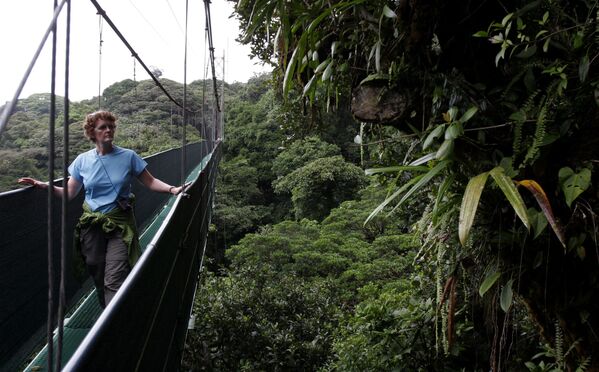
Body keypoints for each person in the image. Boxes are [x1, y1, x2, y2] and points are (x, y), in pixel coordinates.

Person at [18, 110, 188, 308]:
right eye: (103, 127)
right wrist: (43, 185)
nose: (109, 130)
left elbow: (150, 182)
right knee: (97, 274)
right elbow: (69, 193)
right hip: (92, 226)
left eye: (111, 126)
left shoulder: (129, 157)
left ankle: (114, 326)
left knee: (114, 279)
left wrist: (172, 189)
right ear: (92, 132)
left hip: (119, 225)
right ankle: (107, 311)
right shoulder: (82, 161)